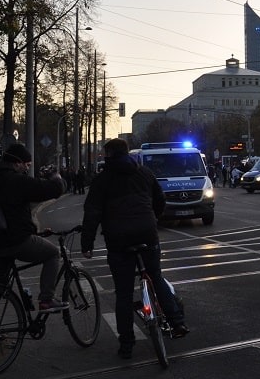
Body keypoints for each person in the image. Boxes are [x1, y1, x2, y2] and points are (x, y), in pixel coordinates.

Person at [81, 138, 188, 360]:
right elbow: (160, 200)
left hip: (119, 241)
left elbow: (92, 213)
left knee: (124, 293)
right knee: (156, 277)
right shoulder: (144, 173)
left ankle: (126, 344)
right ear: (127, 152)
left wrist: (87, 244)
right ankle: (177, 323)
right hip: (147, 235)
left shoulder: (102, 180)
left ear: (108, 155)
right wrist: (152, 219)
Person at [0, 143, 67, 310]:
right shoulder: (17, 181)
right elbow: (54, 189)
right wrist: (55, 176)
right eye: (26, 165)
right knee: (52, 254)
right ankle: (47, 299)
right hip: (16, 241)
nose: (26, 169)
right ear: (17, 163)